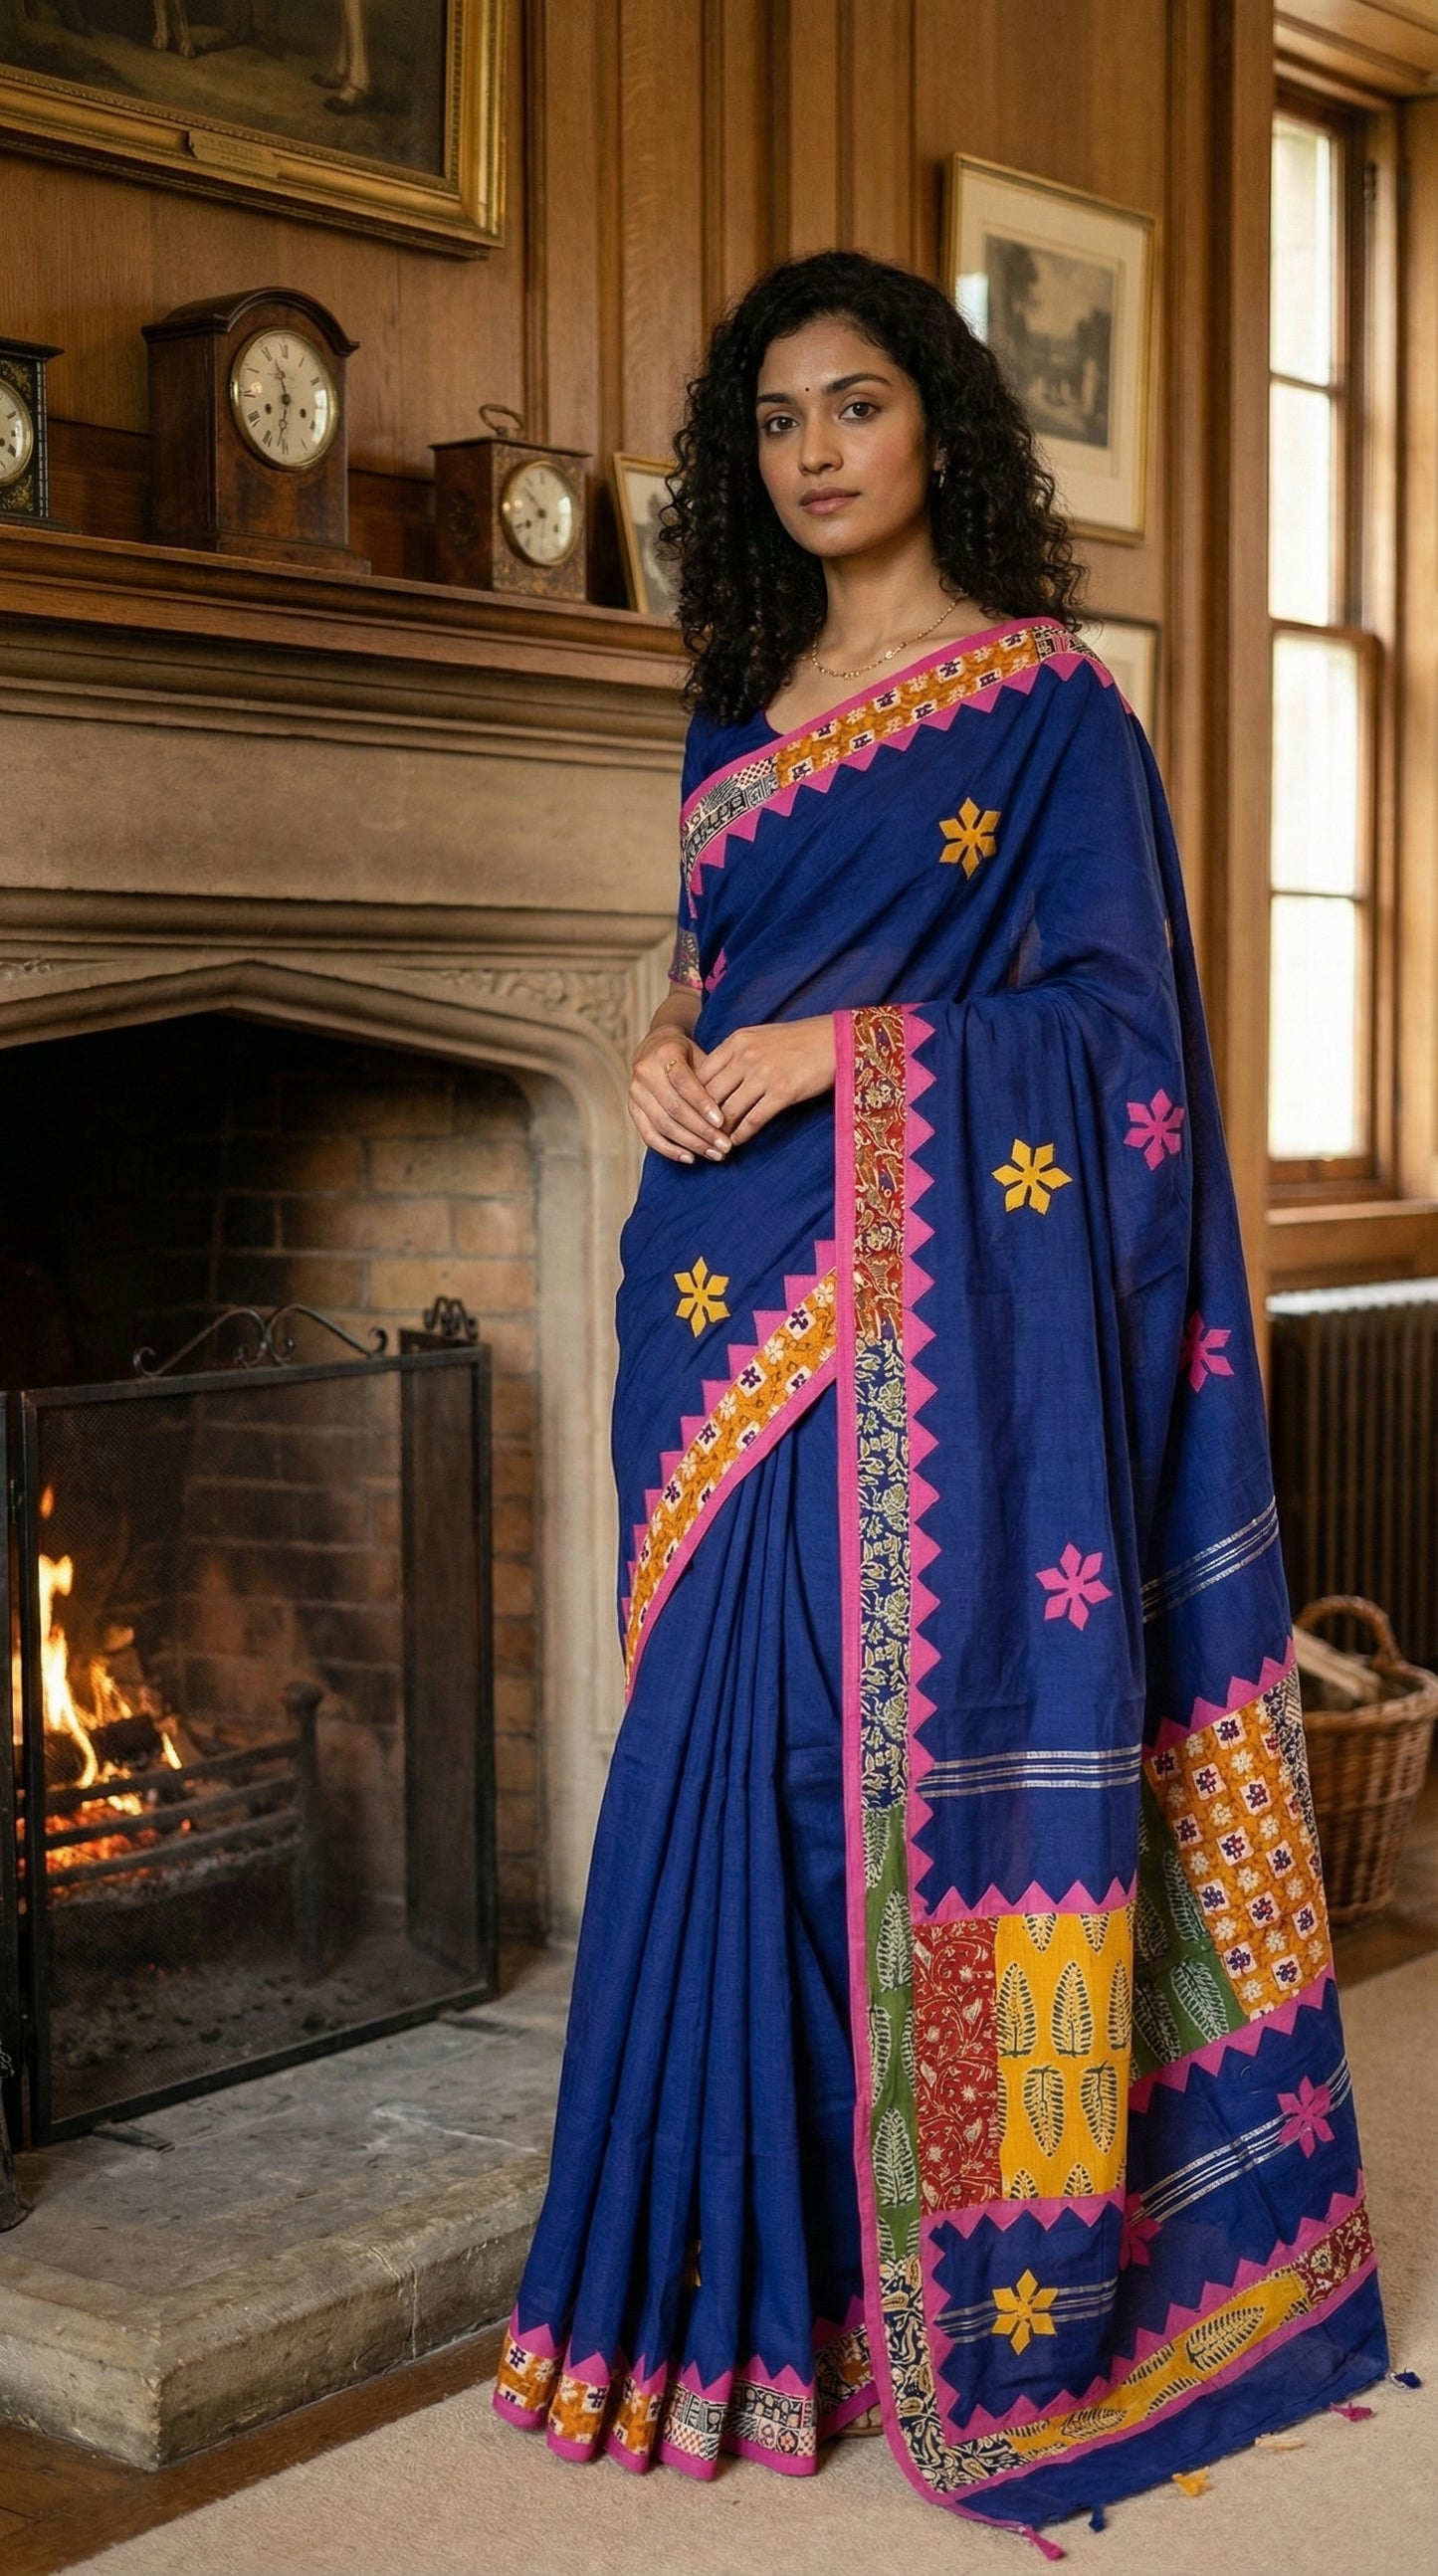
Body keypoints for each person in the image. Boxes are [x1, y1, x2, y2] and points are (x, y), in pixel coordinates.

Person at [492, 250, 1387, 2536]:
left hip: (907, 1311)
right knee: (703, 1756)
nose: (811, 449)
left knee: (828, 1765)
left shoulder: (1052, 712)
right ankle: (734, 2294)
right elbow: (710, 981)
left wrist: (847, 1059)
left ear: (938, 425)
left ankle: (912, 2285)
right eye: (774, 417)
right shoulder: (731, 707)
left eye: (853, 403)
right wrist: (673, 1047)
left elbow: (1121, 1054)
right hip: (713, 1302)